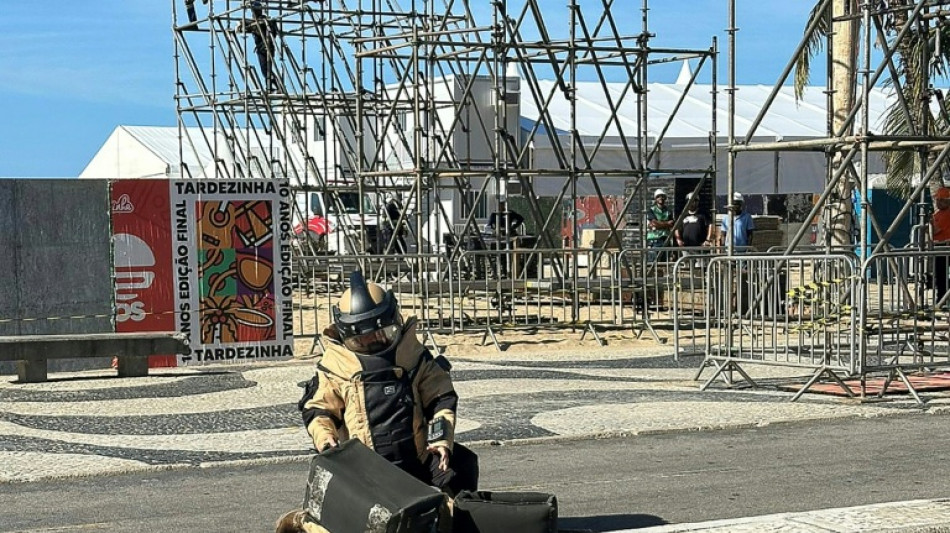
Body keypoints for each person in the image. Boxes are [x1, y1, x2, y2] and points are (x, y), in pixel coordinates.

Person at [299, 270, 479, 497]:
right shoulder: (335, 366)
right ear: (345, 336)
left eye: (381, 334)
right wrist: (326, 439)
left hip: (419, 457)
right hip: (363, 467)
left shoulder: (413, 356)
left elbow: (440, 399)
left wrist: (440, 440)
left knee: (462, 472)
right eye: (361, 340)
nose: (373, 342)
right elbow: (319, 410)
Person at [236, 1, 280, 91]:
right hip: (264, 48)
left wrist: (242, 23)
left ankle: (275, 86)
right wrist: (243, 25)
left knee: (266, 70)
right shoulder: (261, 22)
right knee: (266, 70)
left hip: (264, 48)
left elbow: (255, 26)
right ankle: (271, 86)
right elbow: (252, 27)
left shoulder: (262, 22)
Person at [932, 187, 950, 306]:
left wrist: (930, 223)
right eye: (937, 200)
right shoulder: (937, 214)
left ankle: (943, 300)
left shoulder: (946, 214)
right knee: (940, 276)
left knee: (942, 275)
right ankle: (941, 300)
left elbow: (936, 230)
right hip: (939, 246)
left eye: (940, 200)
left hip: (945, 246)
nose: (938, 203)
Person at [646, 188, 674, 261]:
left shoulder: (668, 211)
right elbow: (654, 223)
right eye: (658, 196)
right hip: (654, 240)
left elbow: (672, 224)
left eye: (662, 196)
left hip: (665, 239)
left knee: (665, 263)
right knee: (653, 264)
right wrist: (666, 223)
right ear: (655, 198)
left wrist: (659, 224)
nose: (661, 198)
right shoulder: (652, 210)